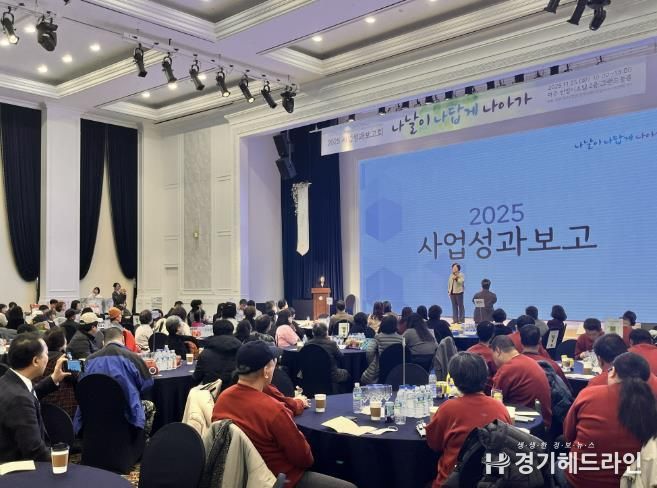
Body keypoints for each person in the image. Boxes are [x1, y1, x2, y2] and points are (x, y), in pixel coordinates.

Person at [212, 341, 355, 488]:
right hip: (278, 479)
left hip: (234, 475)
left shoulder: (222, 398)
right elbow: (304, 459)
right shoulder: (273, 410)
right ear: (266, 370)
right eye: (274, 364)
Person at [563, 352, 657, 488]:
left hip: (580, 481)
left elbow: (568, 435)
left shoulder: (589, 395)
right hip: (631, 482)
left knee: (556, 464)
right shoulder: (652, 405)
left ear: (613, 372)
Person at [426, 352, 511, 486]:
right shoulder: (500, 408)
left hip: (452, 482)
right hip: (489, 482)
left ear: (454, 380)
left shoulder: (448, 408)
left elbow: (434, 444)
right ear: (485, 376)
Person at [0, 333, 69, 463]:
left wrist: (53, 379)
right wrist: (63, 464)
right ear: (36, 361)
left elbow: (30, 394)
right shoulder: (19, 399)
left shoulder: (8, 381)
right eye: (46, 354)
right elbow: (35, 451)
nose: (48, 358)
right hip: (19, 468)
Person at [74, 327, 155, 436]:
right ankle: (142, 440)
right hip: (127, 415)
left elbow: (82, 384)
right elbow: (147, 384)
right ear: (123, 340)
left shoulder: (89, 360)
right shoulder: (133, 357)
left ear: (103, 342)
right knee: (149, 406)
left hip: (94, 414)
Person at [491, 335, 552, 428]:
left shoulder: (507, 369)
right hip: (543, 421)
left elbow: (495, 402)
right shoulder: (529, 361)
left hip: (526, 424)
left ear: (498, 351)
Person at [36, 328, 78, 417]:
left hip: (40, 405)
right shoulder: (65, 358)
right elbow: (77, 375)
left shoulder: (38, 358)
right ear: (62, 343)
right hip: (64, 408)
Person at [193, 319, 241, 390]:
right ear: (232, 331)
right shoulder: (241, 351)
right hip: (235, 392)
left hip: (211, 393)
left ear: (214, 332)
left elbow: (197, 377)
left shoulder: (205, 354)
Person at [361, 315, 404, 385]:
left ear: (382, 325)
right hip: (397, 370)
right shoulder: (401, 339)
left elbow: (369, 351)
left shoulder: (378, 337)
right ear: (396, 325)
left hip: (380, 370)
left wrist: (373, 362)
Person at [307, 322, 351, 388]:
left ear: (312, 333)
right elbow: (340, 357)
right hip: (331, 374)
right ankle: (342, 392)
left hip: (311, 374)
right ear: (326, 332)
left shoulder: (307, 344)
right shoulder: (331, 344)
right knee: (346, 373)